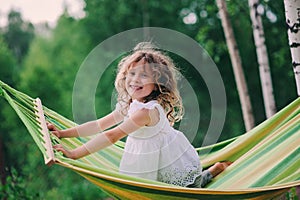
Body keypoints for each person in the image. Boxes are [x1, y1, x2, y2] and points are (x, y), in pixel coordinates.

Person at [47, 42, 231, 188]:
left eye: (143, 76)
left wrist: (74, 154)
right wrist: (63, 133)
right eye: (131, 73)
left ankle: (215, 170)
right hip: (150, 166)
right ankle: (212, 171)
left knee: (191, 190)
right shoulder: (129, 105)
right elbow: (98, 125)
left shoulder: (146, 112)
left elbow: (112, 135)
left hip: (175, 168)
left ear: (158, 83)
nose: (134, 80)